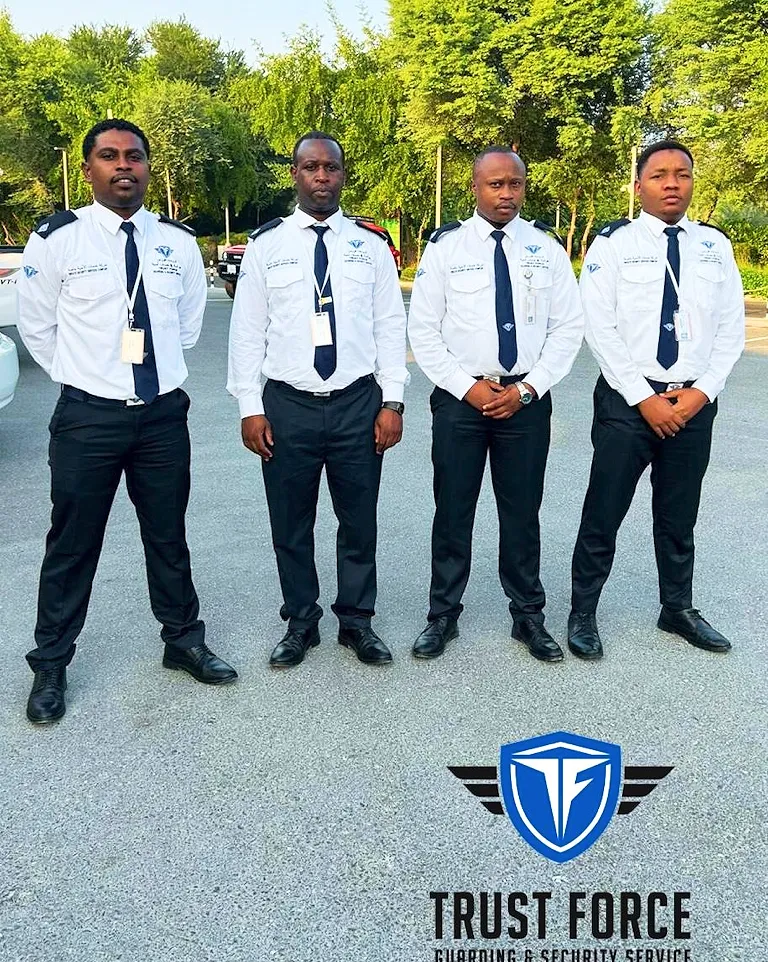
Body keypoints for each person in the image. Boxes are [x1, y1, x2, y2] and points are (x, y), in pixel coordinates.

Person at [17, 118, 237, 724]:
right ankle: (52, 662)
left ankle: (183, 641)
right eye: (110, 156)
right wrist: (87, 375)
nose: (123, 166)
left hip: (162, 415)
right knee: (73, 541)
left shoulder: (176, 242)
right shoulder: (58, 240)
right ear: (89, 169)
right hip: (89, 416)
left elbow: (189, 321)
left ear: (147, 167)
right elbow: (37, 325)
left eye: (134, 157)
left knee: (167, 534)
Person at [227, 131, 408, 668]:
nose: (322, 177)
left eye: (331, 167)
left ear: (343, 175)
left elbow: (389, 325)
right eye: (311, 167)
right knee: (291, 521)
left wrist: (392, 402)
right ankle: (301, 622)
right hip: (288, 404)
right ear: (295, 175)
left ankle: (357, 622)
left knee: (359, 520)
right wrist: (249, 407)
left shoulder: (370, 245)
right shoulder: (267, 245)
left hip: (357, 401)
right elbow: (246, 331)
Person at [568, 140, 745, 659]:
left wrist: (700, 393)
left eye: (683, 174)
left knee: (678, 513)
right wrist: (645, 399)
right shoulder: (613, 243)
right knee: (604, 510)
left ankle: (678, 608)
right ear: (638, 184)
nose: (673, 183)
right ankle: (583, 611)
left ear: (693, 182)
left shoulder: (714, 246)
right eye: (661, 174)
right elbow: (599, 328)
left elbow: (730, 331)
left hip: (693, 402)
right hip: (629, 403)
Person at [407, 146, 584, 661]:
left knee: (522, 512)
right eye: (495, 185)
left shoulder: (545, 248)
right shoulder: (446, 248)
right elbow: (424, 329)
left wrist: (529, 389)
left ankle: (528, 616)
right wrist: (469, 387)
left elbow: (567, 327)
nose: (506, 194)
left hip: (525, 399)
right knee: (453, 511)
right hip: (462, 400)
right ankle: (442, 617)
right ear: (474, 187)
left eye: (515, 184)